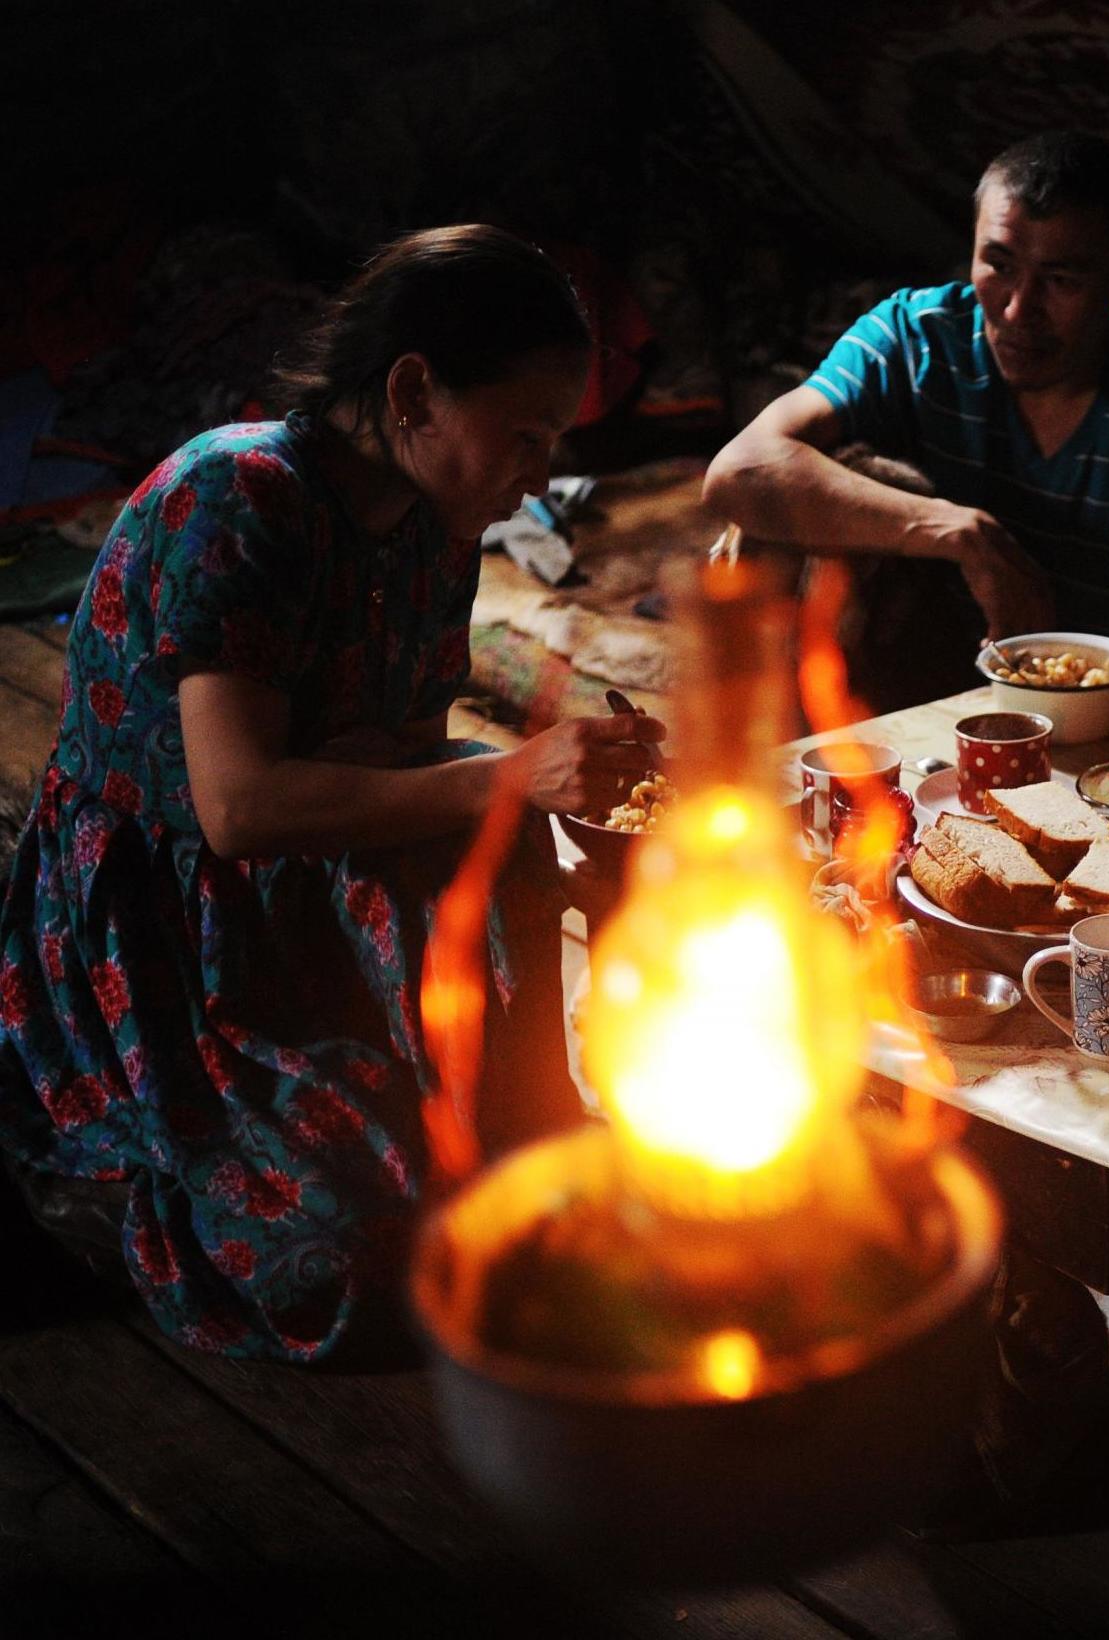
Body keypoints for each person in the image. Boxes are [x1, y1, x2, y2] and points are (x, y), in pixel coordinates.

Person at [0, 226, 663, 1362]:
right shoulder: (241, 496)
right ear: (413, 392)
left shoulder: (432, 520)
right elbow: (240, 809)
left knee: (496, 1169)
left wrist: (572, 800)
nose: (539, 476)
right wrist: (510, 772)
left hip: (304, 882)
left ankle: (502, 1132)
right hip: (164, 924)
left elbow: (392, 747)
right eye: (526, 434)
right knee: (354, 1249)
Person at [703, 131, 1109, 731]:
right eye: (999, 264)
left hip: (1098, 718)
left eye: (1061, 281)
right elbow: (740, 472)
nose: (1018, 309)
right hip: (916, 681)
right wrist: (964, 535)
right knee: (780, 516)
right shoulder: (912, 337)